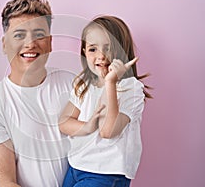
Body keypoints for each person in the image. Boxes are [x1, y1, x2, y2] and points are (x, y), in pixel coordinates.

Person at [0, 0, 74, 187]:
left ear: (50, 42)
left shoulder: (73, 84)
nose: (30, 44)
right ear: (4, 44)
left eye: (39, 34)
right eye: (19, 35)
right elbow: (4, 183)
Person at [59, 15, 152, 187]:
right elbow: (64, 122)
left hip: (106, 173)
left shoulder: (131, 89)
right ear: (84, 52)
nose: (101, 56)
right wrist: (87, 126)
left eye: (108, 48)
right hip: (76, 166)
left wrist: (110, 83)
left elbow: (107, 131)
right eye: (93, 49)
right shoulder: (84, 84)